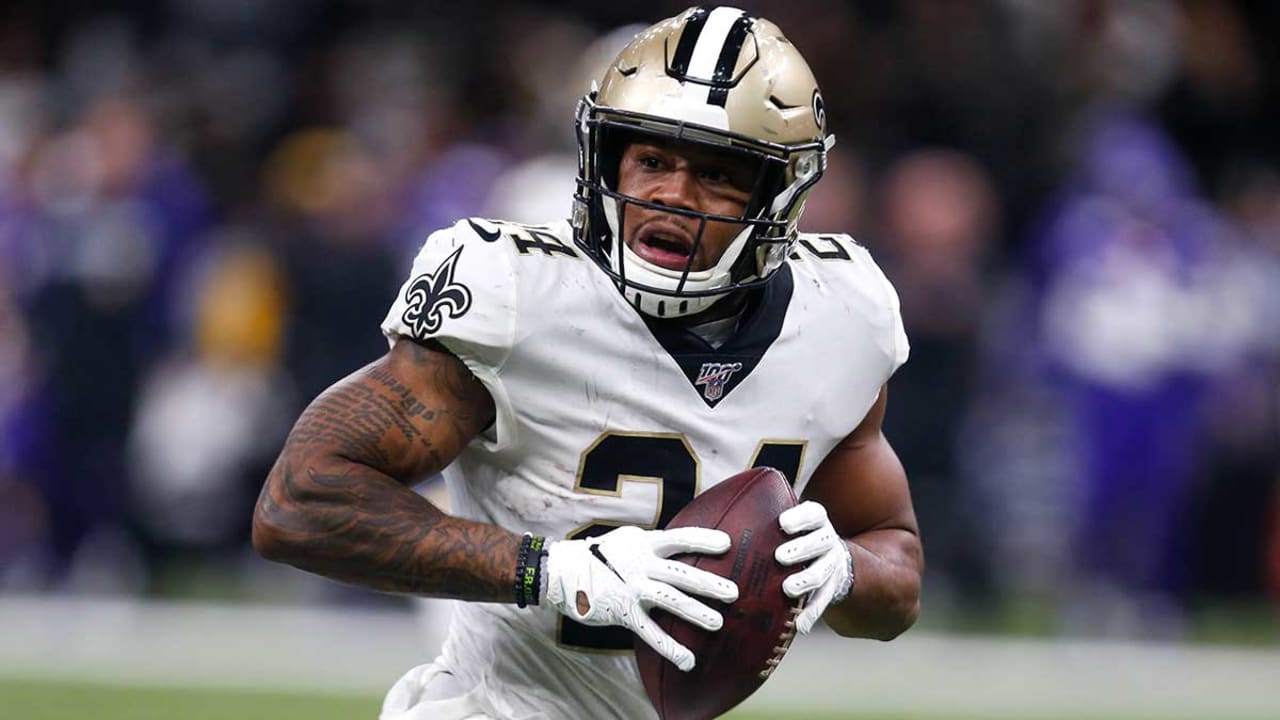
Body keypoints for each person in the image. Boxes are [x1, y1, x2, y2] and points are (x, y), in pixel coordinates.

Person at [252, 7, 923, 719]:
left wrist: (847, 571)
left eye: (719, 174)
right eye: (652, 160)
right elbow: (299, 502)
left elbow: (897, 570)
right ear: (604, 158)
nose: (672, 195)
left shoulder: (843, 316)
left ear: (779, 195)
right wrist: (550, 570)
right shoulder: (520, 294)